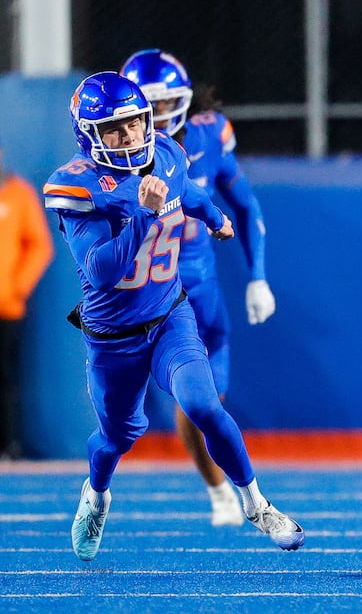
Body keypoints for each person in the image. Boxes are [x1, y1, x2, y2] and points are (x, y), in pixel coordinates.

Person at [42, 71, 303, 561]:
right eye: (115, 129)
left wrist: (215, 218)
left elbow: (190, 193)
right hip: (113, 336)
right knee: (116, 438)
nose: (131, 137)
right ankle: (96, 494)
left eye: (137, 123)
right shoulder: (77, 188)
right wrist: (142, 214)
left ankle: (257, 505)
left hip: (169, 316)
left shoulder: (165, 153)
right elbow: (101, 271)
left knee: (204, 406)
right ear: (89, 136)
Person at [120, 49, 276, 527]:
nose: (162, 115)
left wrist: (258, 276)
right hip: (145, 301)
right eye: (151, 106)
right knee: (123, 423)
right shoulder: (112, 162)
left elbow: (244, 206)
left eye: (169, 103)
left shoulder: (208, 135)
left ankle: (231, 493)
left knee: (204, 407)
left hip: (200, 295)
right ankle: (217, 490)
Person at [0, 136, 54, 460]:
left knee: (5, 379)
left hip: (6, 307)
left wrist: (17, 287)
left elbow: (39, 245)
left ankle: (8, 444)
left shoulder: (18, 194)